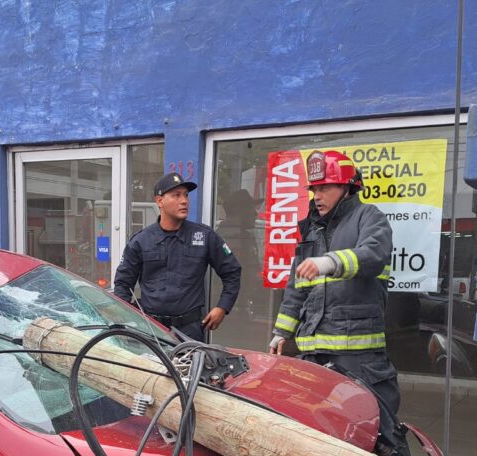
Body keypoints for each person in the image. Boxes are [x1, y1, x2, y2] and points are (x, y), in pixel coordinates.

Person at [270, 149, 402, 417]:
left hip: (356, 357)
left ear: (347, 187)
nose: (316, 196)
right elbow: (297, 288)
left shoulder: (369, 217)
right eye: (314, 189)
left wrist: (329, 263)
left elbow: (373, 255)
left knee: (370, 424)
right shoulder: (313, 230)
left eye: (325, 188)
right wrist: (282, 332)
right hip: (313, 353)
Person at [114, 172, 242, 342]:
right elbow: (123, 284)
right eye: (176, 195)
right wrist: (129, 319)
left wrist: (222, 307)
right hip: (151, 330)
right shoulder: (141, 241)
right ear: (160, 201)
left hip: (190, 331)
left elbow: (232, 271)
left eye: (186, 195)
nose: (184, 201)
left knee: (189, 369)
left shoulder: (204, 236)